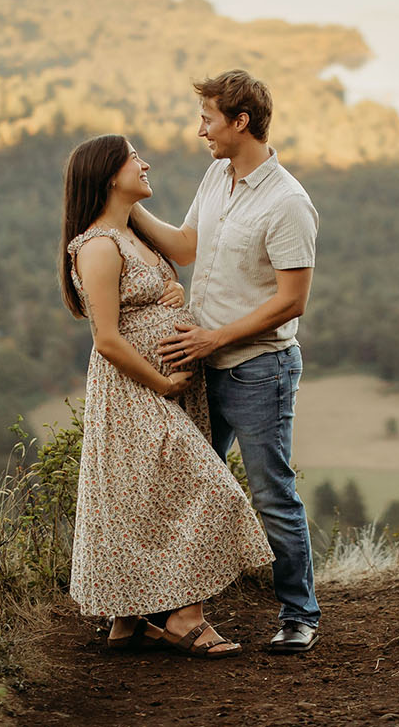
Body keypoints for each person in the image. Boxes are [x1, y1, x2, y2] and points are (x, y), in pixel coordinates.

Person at [59, 133, 273, 659]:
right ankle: (184, 618)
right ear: (111, 174)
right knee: (207, 490)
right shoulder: (99, 246)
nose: (146, 163)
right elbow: (106, 338)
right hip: (137, 393)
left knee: (145, 496)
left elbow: (156, 286)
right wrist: (163, 382)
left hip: (166, 389)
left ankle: (130, 618)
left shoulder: (129, 235)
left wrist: (171, 295)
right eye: (135, 158)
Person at [131, 70, 322, 654]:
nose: (200, 131)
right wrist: (118, 206)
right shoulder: (218, 173)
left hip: (259, 371)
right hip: (203, 368)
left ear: (241, 122)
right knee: (182, 484)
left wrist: (214, 339)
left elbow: (291, 302)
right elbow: (187, 246)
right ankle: (164, 609)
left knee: (271, 494)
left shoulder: (289, 202)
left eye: (208, 119)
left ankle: (299, 615)